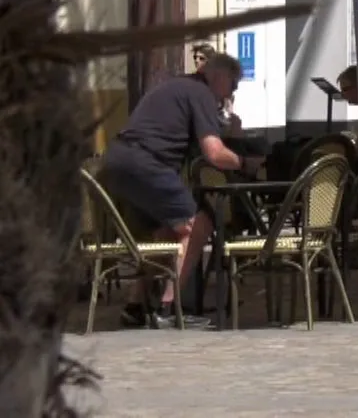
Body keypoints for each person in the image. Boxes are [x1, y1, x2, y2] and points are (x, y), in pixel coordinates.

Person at [97, 51, 250, 328]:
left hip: (117, 161)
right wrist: (243, 162)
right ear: (220, 76)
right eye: (234, 84)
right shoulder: (200, 92)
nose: (233, 91)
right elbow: (214, 153)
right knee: (197, 225)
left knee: (166, 232)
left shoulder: (176, 86)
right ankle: (170, 309)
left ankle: (135, 306)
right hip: (145, 163)